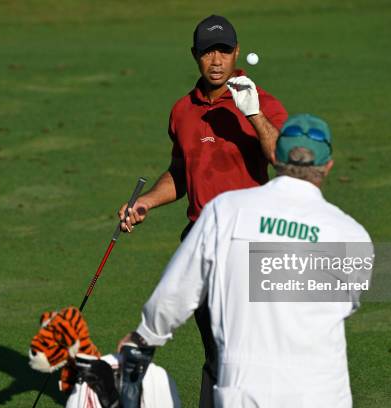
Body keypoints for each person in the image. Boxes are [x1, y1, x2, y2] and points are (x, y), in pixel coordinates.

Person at [118, 114, 374, 407]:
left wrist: (145, 338)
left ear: (275, 156)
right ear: (327, 166)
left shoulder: (225, 211)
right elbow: (345, 302)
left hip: (245, 391)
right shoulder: (353, 235)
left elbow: (177, 291)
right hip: (323, 393)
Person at [117, 14, 288, 407]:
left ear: (237, 52)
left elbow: (284, 159)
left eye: (224, 51)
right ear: (194, 55)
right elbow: (182, 171)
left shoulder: (260, 100)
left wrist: (254, 114)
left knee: (253, 352)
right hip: (201, 245)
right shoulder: (182, 111)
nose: (216, 60)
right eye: (208, 52)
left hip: (252, 244)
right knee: (216, 353)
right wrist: (146, 201)